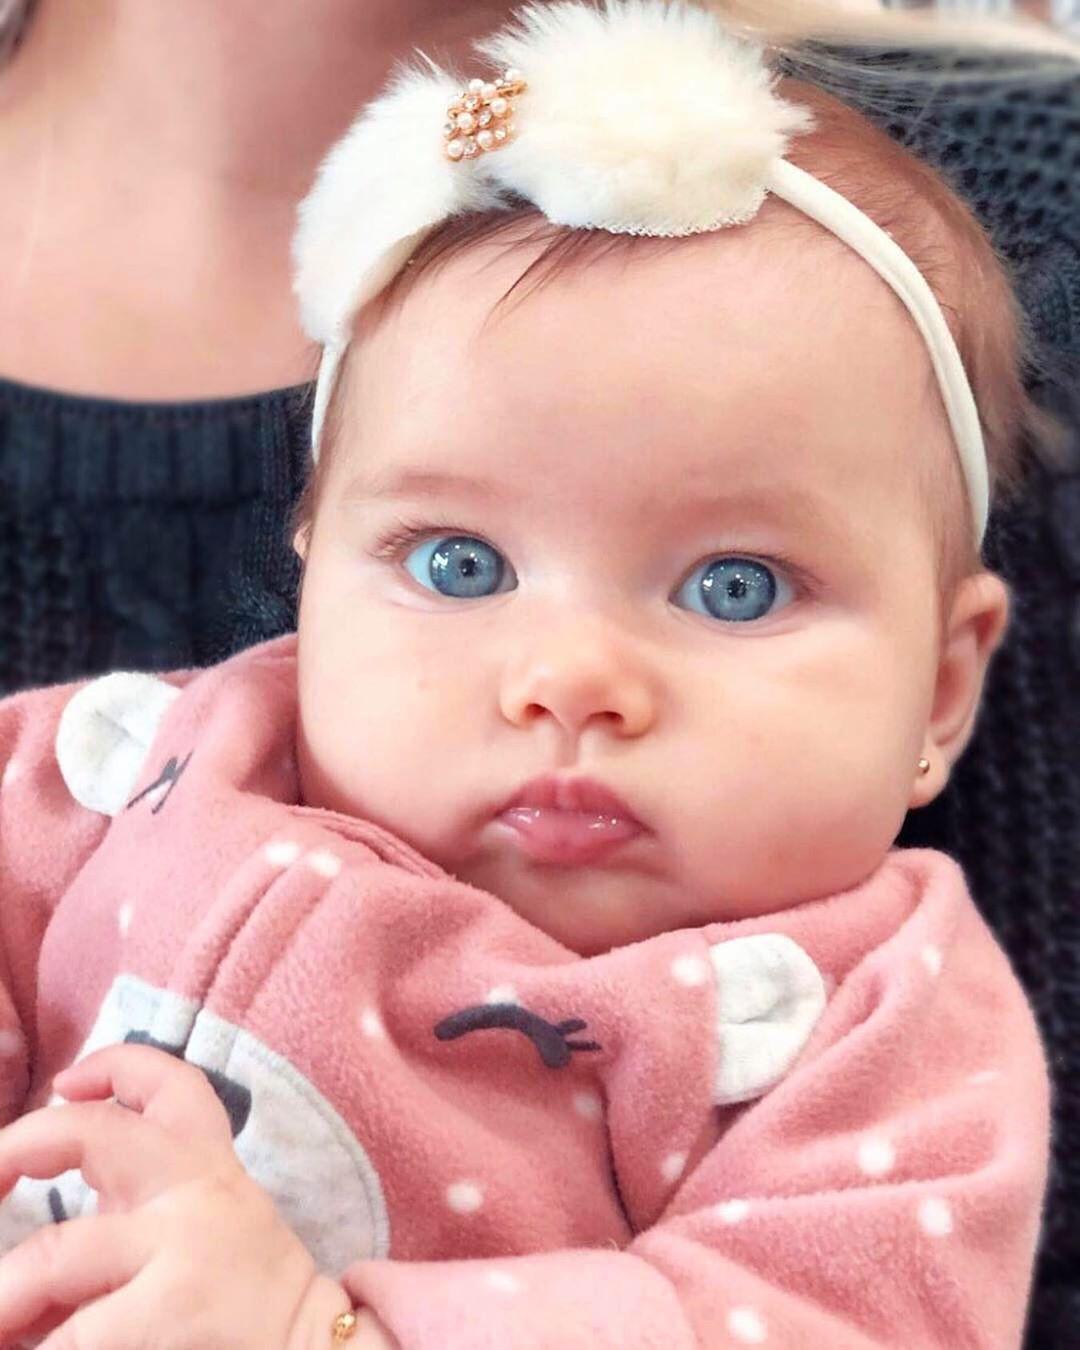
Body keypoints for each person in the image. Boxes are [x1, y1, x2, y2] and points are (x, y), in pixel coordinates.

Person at [0, 2, 1059, 1346]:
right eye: (458, 565)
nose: (569, 679)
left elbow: (833, 1317)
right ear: (313, 583)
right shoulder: (135, 771)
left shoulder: (875, 1036)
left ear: (942, 691)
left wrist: (320, 1331)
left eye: (734, 586)